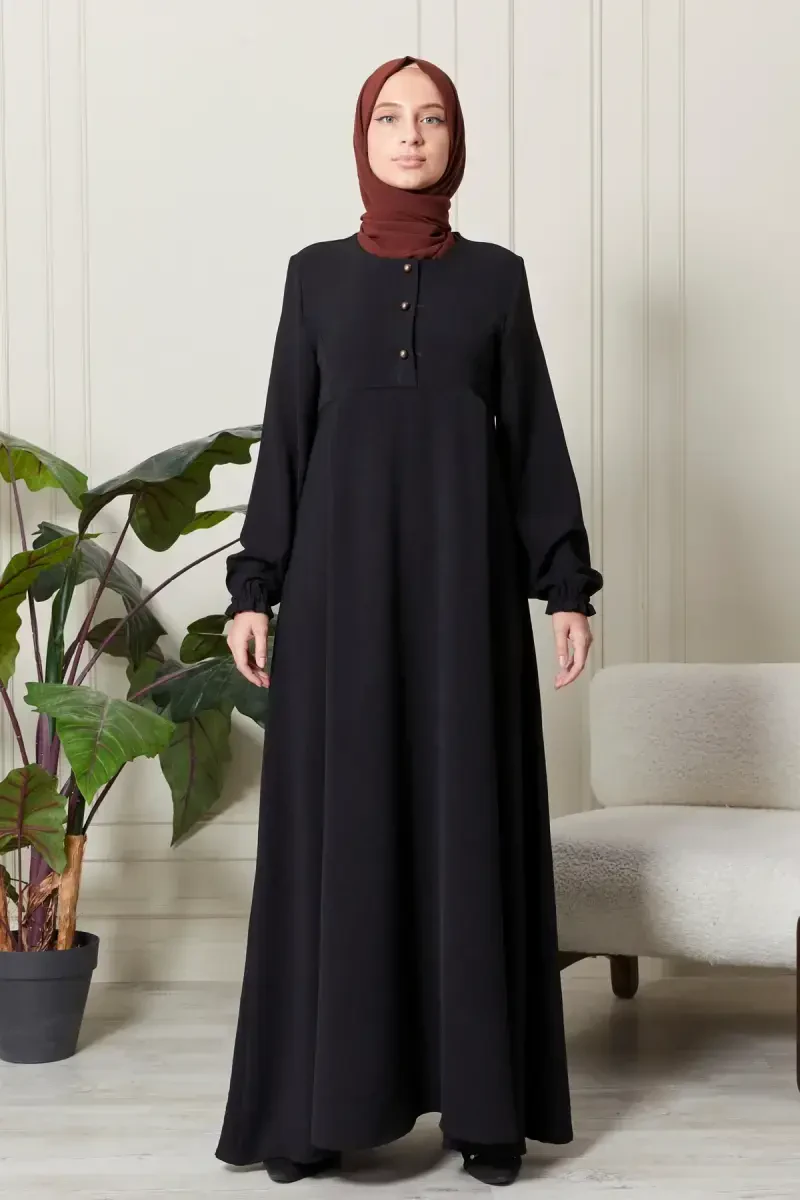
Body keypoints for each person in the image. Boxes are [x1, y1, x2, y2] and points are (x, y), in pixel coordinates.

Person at [215, 54, 602, 1189]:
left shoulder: (496, 282)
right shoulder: (315, 279)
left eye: (431, 118)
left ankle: (483, 1113)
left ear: (453, 140)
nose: (411, 135)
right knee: (344, 831)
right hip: (339, 609)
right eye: (390, 117)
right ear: (363, 137)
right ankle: (319, 1113)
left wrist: (565, 587)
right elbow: (288, 439)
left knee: (464, 825)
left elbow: (532, 441)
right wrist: (255, 588)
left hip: (463, 608)